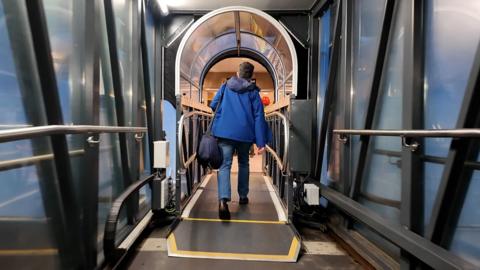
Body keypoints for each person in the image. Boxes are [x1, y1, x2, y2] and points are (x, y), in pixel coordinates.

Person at [209, 61, 271, 220]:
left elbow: (213, 105)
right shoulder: (253, 92)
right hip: (245, 134)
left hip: (225, 132)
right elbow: (259, 117)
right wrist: (260, 142)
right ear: (250, 76)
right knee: (244, 162)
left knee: (225, 165)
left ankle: (223, 201)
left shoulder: (225, 86)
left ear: (238, 72)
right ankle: (243, 196)